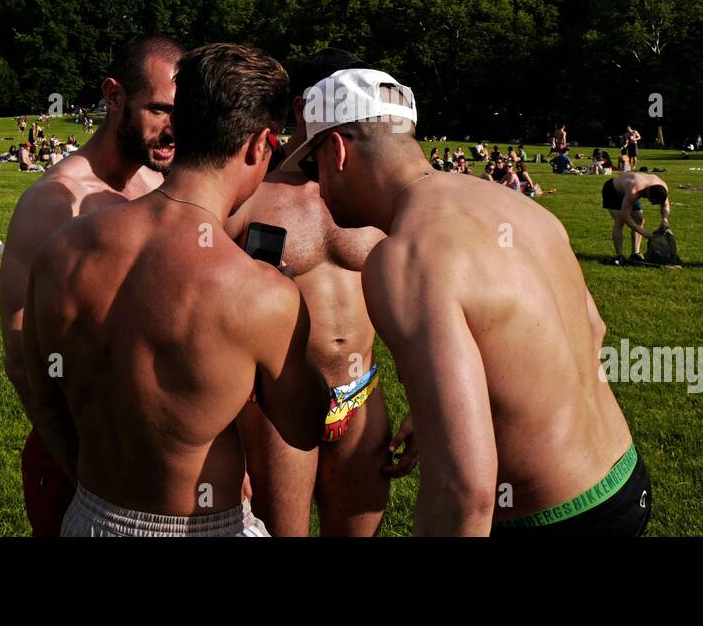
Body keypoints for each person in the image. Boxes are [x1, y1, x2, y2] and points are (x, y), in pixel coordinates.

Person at [282, 68, 649, 536]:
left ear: (335, 151)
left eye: (311, 166)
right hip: (622, 480)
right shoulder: (516, 207)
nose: (316, 186)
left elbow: (463, 491)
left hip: (548, 517)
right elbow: (591, 331)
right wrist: (466, 403)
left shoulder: (402, 257)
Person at [24, 43, 327, 537]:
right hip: (203, 526)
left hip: (88, 516)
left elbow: (45, 397)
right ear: (260, 146)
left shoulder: (63, 247)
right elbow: (305, 426)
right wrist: (289, 320)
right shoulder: (261, 294)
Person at [0, 35, 181, 537]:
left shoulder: (163, 186)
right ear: (114, 95)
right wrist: (82, 472)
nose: (173, 129)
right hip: (77, 458)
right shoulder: (54, 202)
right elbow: (20, 355)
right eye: (159, 110)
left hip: (163, 458)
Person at [226, 49, 390, 537]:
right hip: (274, 403)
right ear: (303, 109)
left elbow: (414, 302)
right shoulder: (251, 195)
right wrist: (223, 441)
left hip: (362, 395)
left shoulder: (377, 196)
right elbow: (212, 316)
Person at [601, 170, 670, 265]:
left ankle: (635, 254)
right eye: (651, 200)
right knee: (619, 221)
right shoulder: (635, 189)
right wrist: (643, 232)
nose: (651, 203)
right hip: (613, 190)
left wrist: (665, 220)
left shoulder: (662, 186)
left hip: (628, 192)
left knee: (639, 220)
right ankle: (619, 256)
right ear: (648, 192)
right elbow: (625, 215)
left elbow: (665, 205)